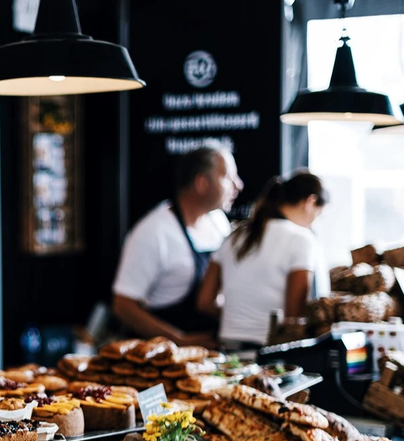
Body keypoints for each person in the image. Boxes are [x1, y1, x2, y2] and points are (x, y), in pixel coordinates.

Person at [112, 144, 243, 347]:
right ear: (201, 183)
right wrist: (179, 340)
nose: (238, 185)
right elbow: (123, 306)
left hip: (211, 353)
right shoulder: (153, 232)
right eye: (228, 177)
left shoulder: (218, 221)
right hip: (162, 357)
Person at [196, 170, 331, 352]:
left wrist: (239, 318)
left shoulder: (233, 236)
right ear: (310, 202)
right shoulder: (302, 239)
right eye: (319, 214)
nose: (314, 222)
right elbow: (294, 316)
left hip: (227, 348)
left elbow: (204, 302)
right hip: (270, 352)